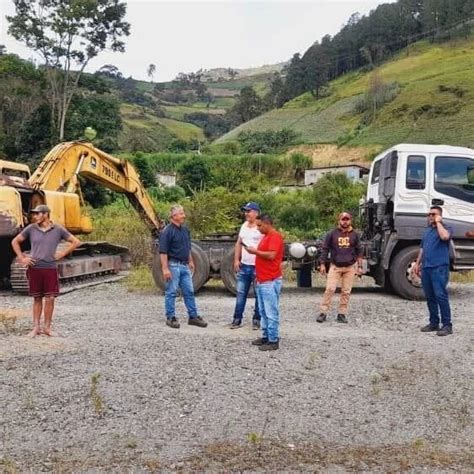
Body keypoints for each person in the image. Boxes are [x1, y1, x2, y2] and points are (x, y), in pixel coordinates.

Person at [11, 204, 81, 337]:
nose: (35, 216)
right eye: (34, 214)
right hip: (35, 268)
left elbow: (76, 242)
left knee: (50, 298)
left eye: (37, 214)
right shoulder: (31, 229)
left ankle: (47, 328)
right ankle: (36, 328)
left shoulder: (58, 229)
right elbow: (15, 241)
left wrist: (62, 254)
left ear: (46, 214)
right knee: (37, 298)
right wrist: (22, 258)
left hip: (50, 268)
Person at [159, 204, 207, 329]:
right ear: (174, 216)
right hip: (173, 265)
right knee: (171, 292)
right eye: (181, 213)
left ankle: (193, 317)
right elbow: (163, 252)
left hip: (185, 266)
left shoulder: (185, 230)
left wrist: (190, 261)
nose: (183, 215)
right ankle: (171, 317)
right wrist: (165, 269)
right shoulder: (167, 232)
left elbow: (187, 247)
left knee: (189, 292)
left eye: (183, 213)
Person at [245, 214, 284, 351]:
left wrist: (255, 251)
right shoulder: (266, 237)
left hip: (270, 280)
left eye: (260, 225)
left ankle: (273, 339)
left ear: (267, 224)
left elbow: (272, 255)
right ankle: (266, 336)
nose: (258, 228)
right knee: (263, 310)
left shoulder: (274, 236)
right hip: (263, 279)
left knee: (270, 310)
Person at [413, 206, 454, 336]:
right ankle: (434, 322)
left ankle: (447, 325)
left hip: (439, 267)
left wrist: (438, 222)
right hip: (427, 268)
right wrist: (417, 263)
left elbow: (444, 237)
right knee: (430, 297)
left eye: (433, 214)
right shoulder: (427, 231)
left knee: (440, 295)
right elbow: (422, 249)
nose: (430, 216)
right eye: (429, 214)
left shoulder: (446, 228)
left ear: (439, 215)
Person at [317, 211, 363, 324]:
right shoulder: (332, 234)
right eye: (343, 219)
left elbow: (359, 251)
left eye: (347, 219)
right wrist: (322, 264)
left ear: (350, 221)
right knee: (330, 289)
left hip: (350, 267)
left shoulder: (355, 234)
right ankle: (323, 312)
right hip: (335, 266)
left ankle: (342, 314)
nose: (345, 221)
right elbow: (325, 249)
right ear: (339, 220)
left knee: (346, 291)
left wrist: (360, 266)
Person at [230, 201, 263, 330]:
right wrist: (236, 259)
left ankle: (257, 319)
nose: (246, 214)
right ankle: (237, 319)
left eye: (248, 211)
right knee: (240, 293)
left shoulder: (260, 227)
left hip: (257, 266)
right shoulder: (244, 226)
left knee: (258, 294)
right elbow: (239, 243)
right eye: (245, 211)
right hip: (244, 265)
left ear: (256, 213)